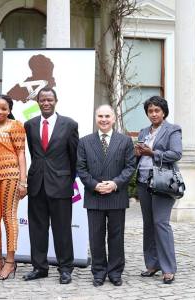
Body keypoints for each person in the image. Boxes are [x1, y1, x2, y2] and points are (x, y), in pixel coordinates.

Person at [23, 87, 78, 284]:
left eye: (49, 100)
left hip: (61, 184)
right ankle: (39, 267)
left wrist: (67, 180)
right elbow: (34, 152)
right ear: (38, 102)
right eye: (42, 100)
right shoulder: (29, 125)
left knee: (62, 229)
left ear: (56, 101)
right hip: (37, 184)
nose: (46, 103)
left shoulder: (69, 125)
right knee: (37, 228)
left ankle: (65, 269)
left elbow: (74, 157)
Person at [76, 104, 135, 287]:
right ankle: (99, 272)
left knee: (116, 237)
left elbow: (130, 167)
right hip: (94, 196)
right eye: (100, 116)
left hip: (116, 195)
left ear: (114, 118)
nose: (103, 119)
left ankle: (115, 272)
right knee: (96, 237)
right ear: (96, 119)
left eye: (107, 116)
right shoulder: (85, 141)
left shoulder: (125, 141)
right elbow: (81, 168)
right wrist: (95, 185)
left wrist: (115, 184)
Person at [134, 96, 182, 284]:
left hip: (163, 182)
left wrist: (152, 153)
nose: (153, 114)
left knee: (161, 223)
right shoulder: (144, 131)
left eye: (157, 110)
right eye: (150, 111)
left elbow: (176, 153)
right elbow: (139, 157)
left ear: (163, 112)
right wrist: (137, 152)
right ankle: (152, 264)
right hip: (144, 181)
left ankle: (168, 268)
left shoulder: (173, 129)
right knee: (148, 224)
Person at [0, 94, 27, 280]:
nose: (0, 111)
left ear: (9, 110)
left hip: (11, 175)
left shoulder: (15, 125)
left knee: (9, 216)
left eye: (4, 108)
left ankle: (10, 261)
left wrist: (23, 181)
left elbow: (21, 154)